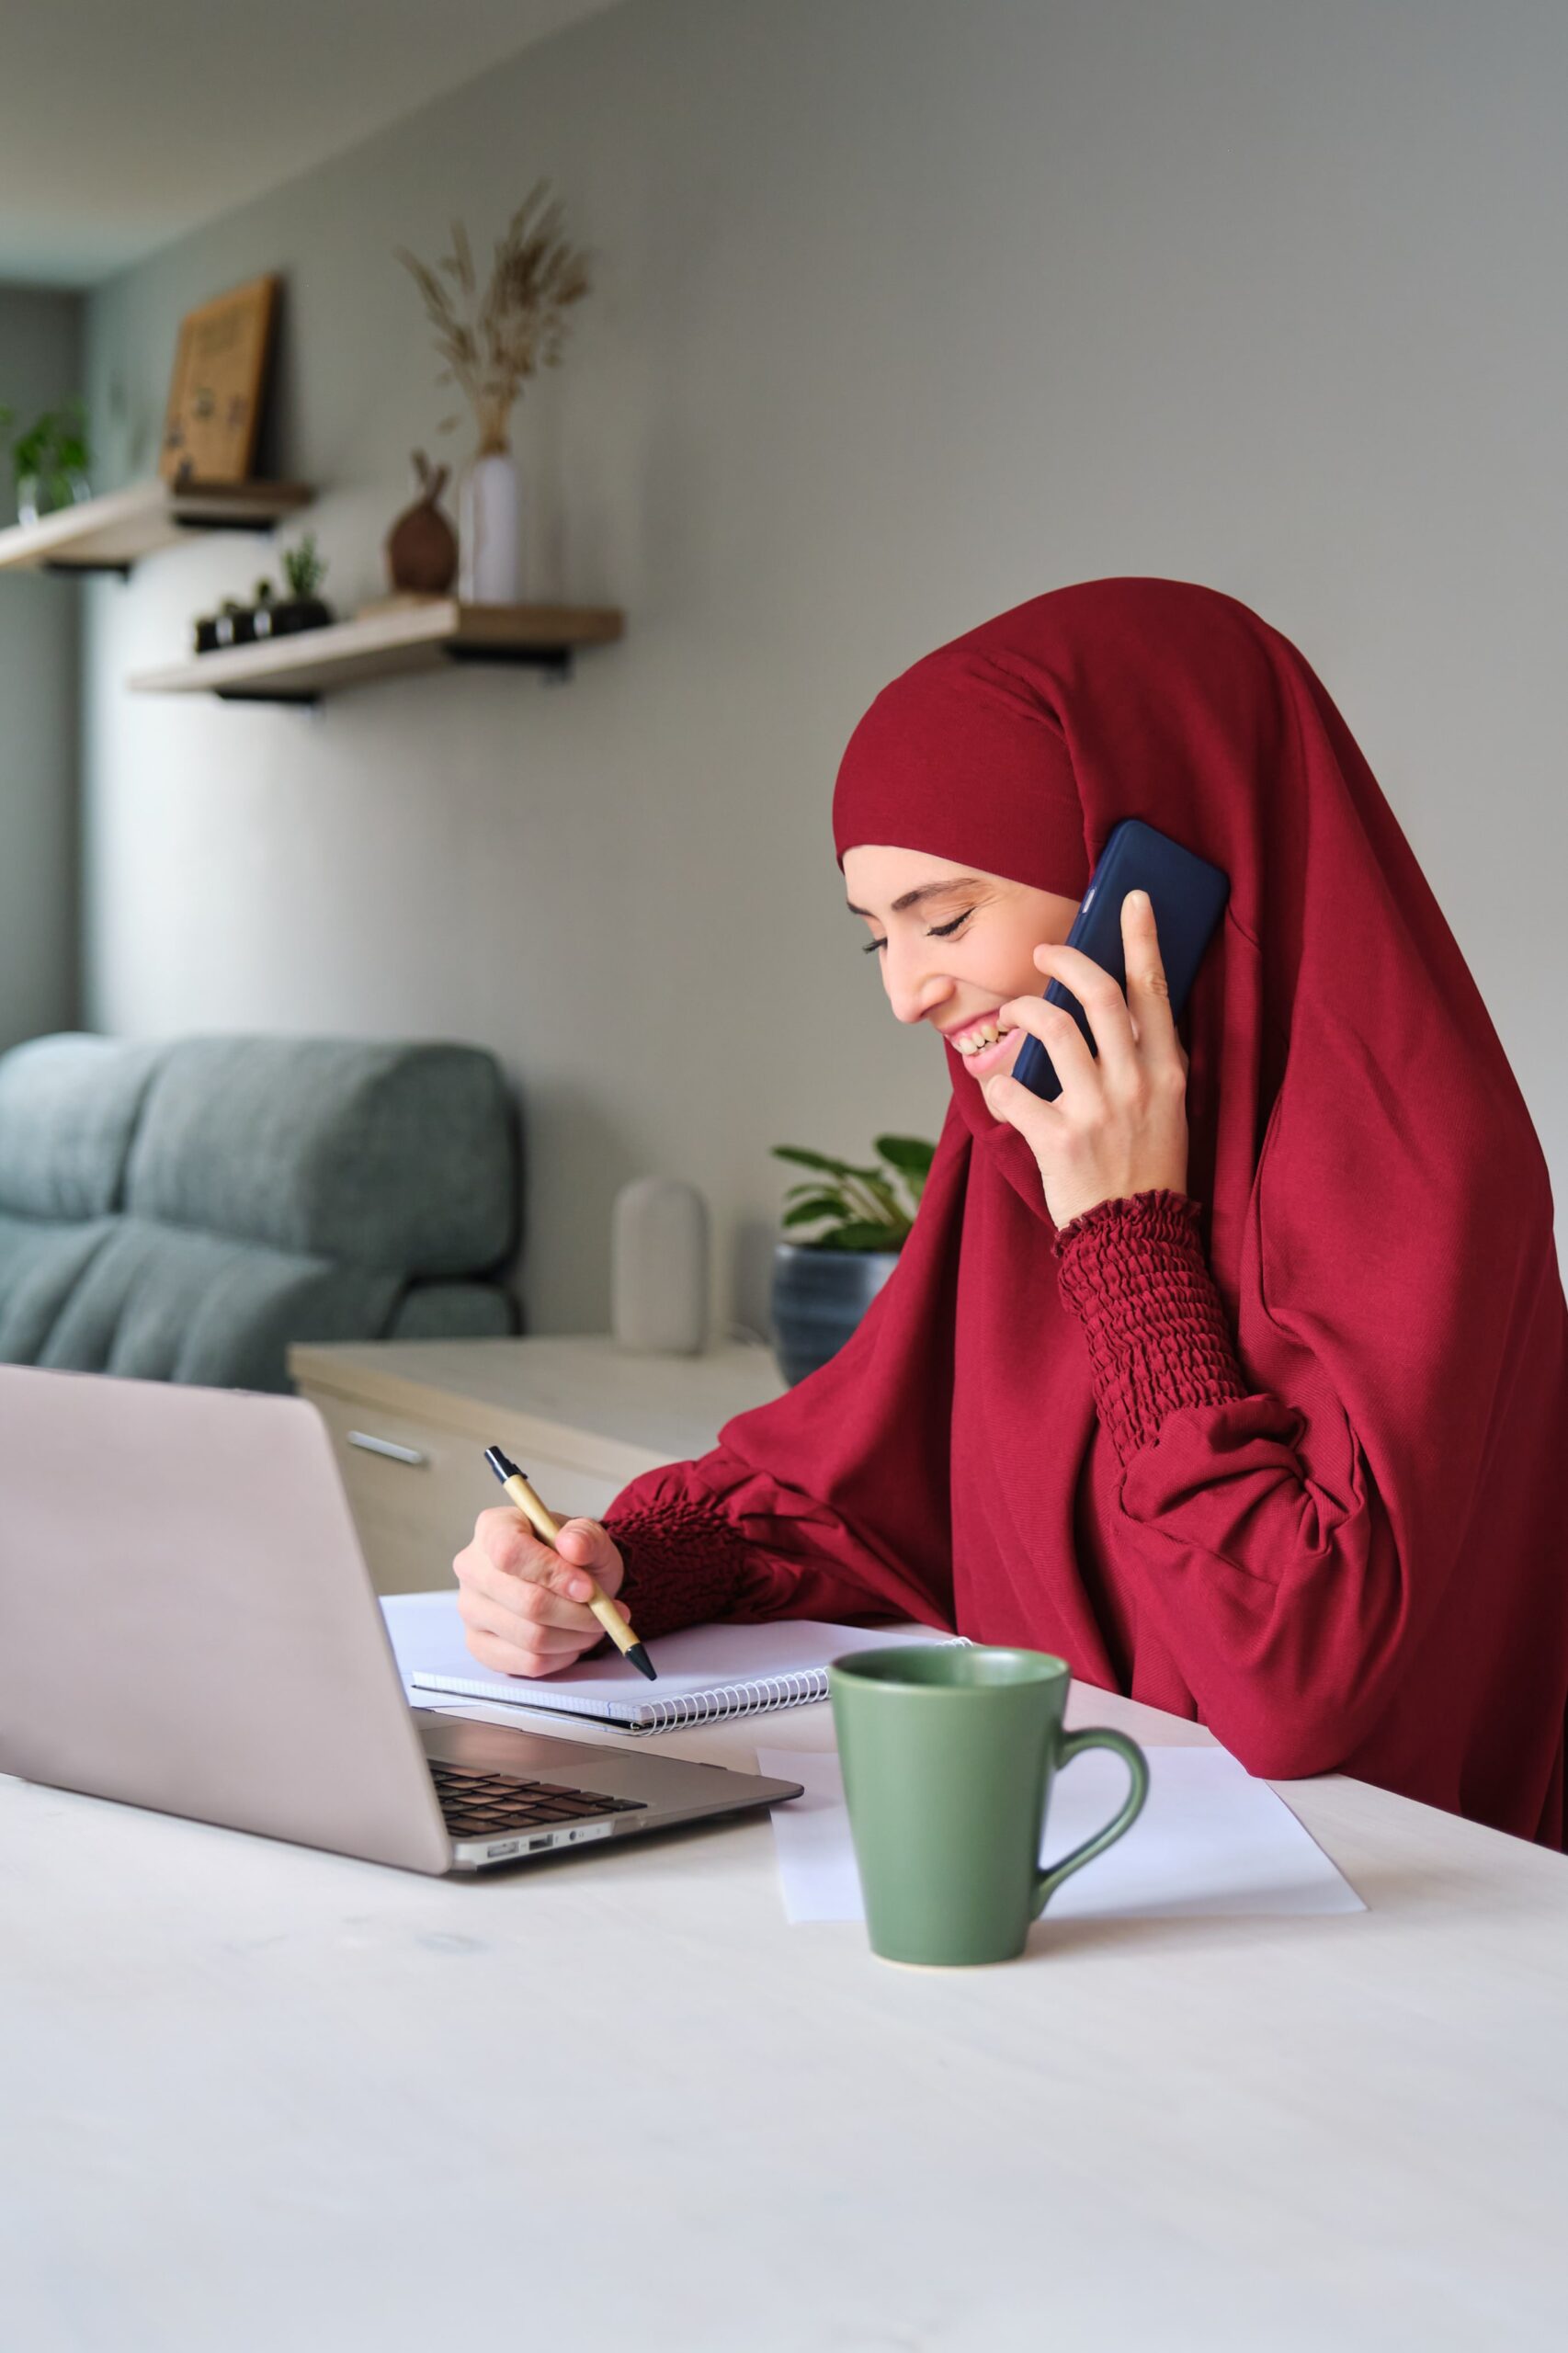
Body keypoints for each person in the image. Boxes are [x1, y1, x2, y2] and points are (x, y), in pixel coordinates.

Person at [453, 577, 1568, 1847]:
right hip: (1074, 1852)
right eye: (876, 938)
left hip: (1395, 1921)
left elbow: (1291, 1684)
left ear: (1151, 877)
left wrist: (1127, 1235)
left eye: (944, 917)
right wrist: (615, 1569)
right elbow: (873, 1490)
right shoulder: (1022, 1139)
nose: (907, 992)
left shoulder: (1425, 1171)